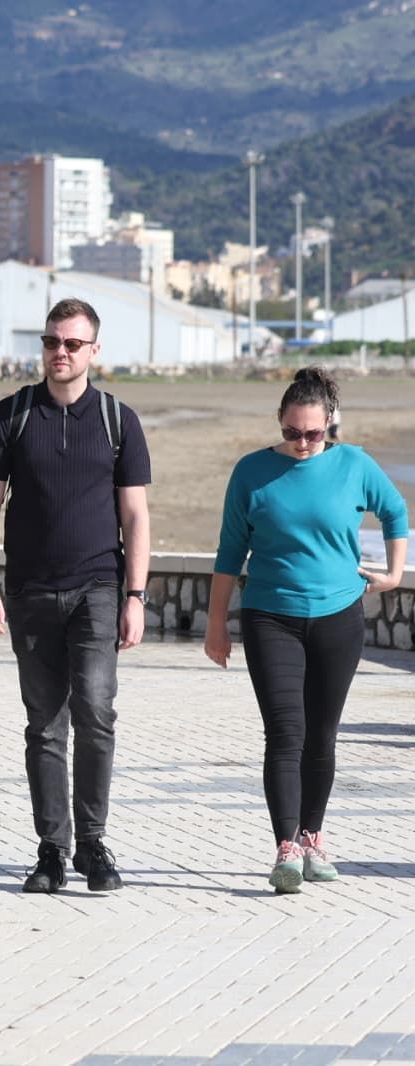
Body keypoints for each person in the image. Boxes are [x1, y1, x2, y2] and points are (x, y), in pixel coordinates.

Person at [0, 298, 152, 894]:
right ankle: (52, 850)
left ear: (94, 350)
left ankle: (93, 844)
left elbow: (136, 515)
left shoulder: (118, 421)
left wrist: (135, 596)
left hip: (98, 587)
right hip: (29, 591)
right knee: (45, 726)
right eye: (52, 342)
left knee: (96, 711)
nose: (60, 352)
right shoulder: (13, 414)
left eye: (73, 344)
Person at [204, 368, 407, 894]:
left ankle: (312, 836)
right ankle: (286, 847)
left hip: (339, 617)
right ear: (280, 421)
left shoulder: (354, 464)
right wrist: (215, 624)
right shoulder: (251, 472)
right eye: (292, 432)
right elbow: (230, 552)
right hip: (270, 616)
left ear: (329, 424)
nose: (301, 443)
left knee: (321, 735)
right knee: (284, 732)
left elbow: (395, 511)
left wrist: (393, 574)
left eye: (313, 434)